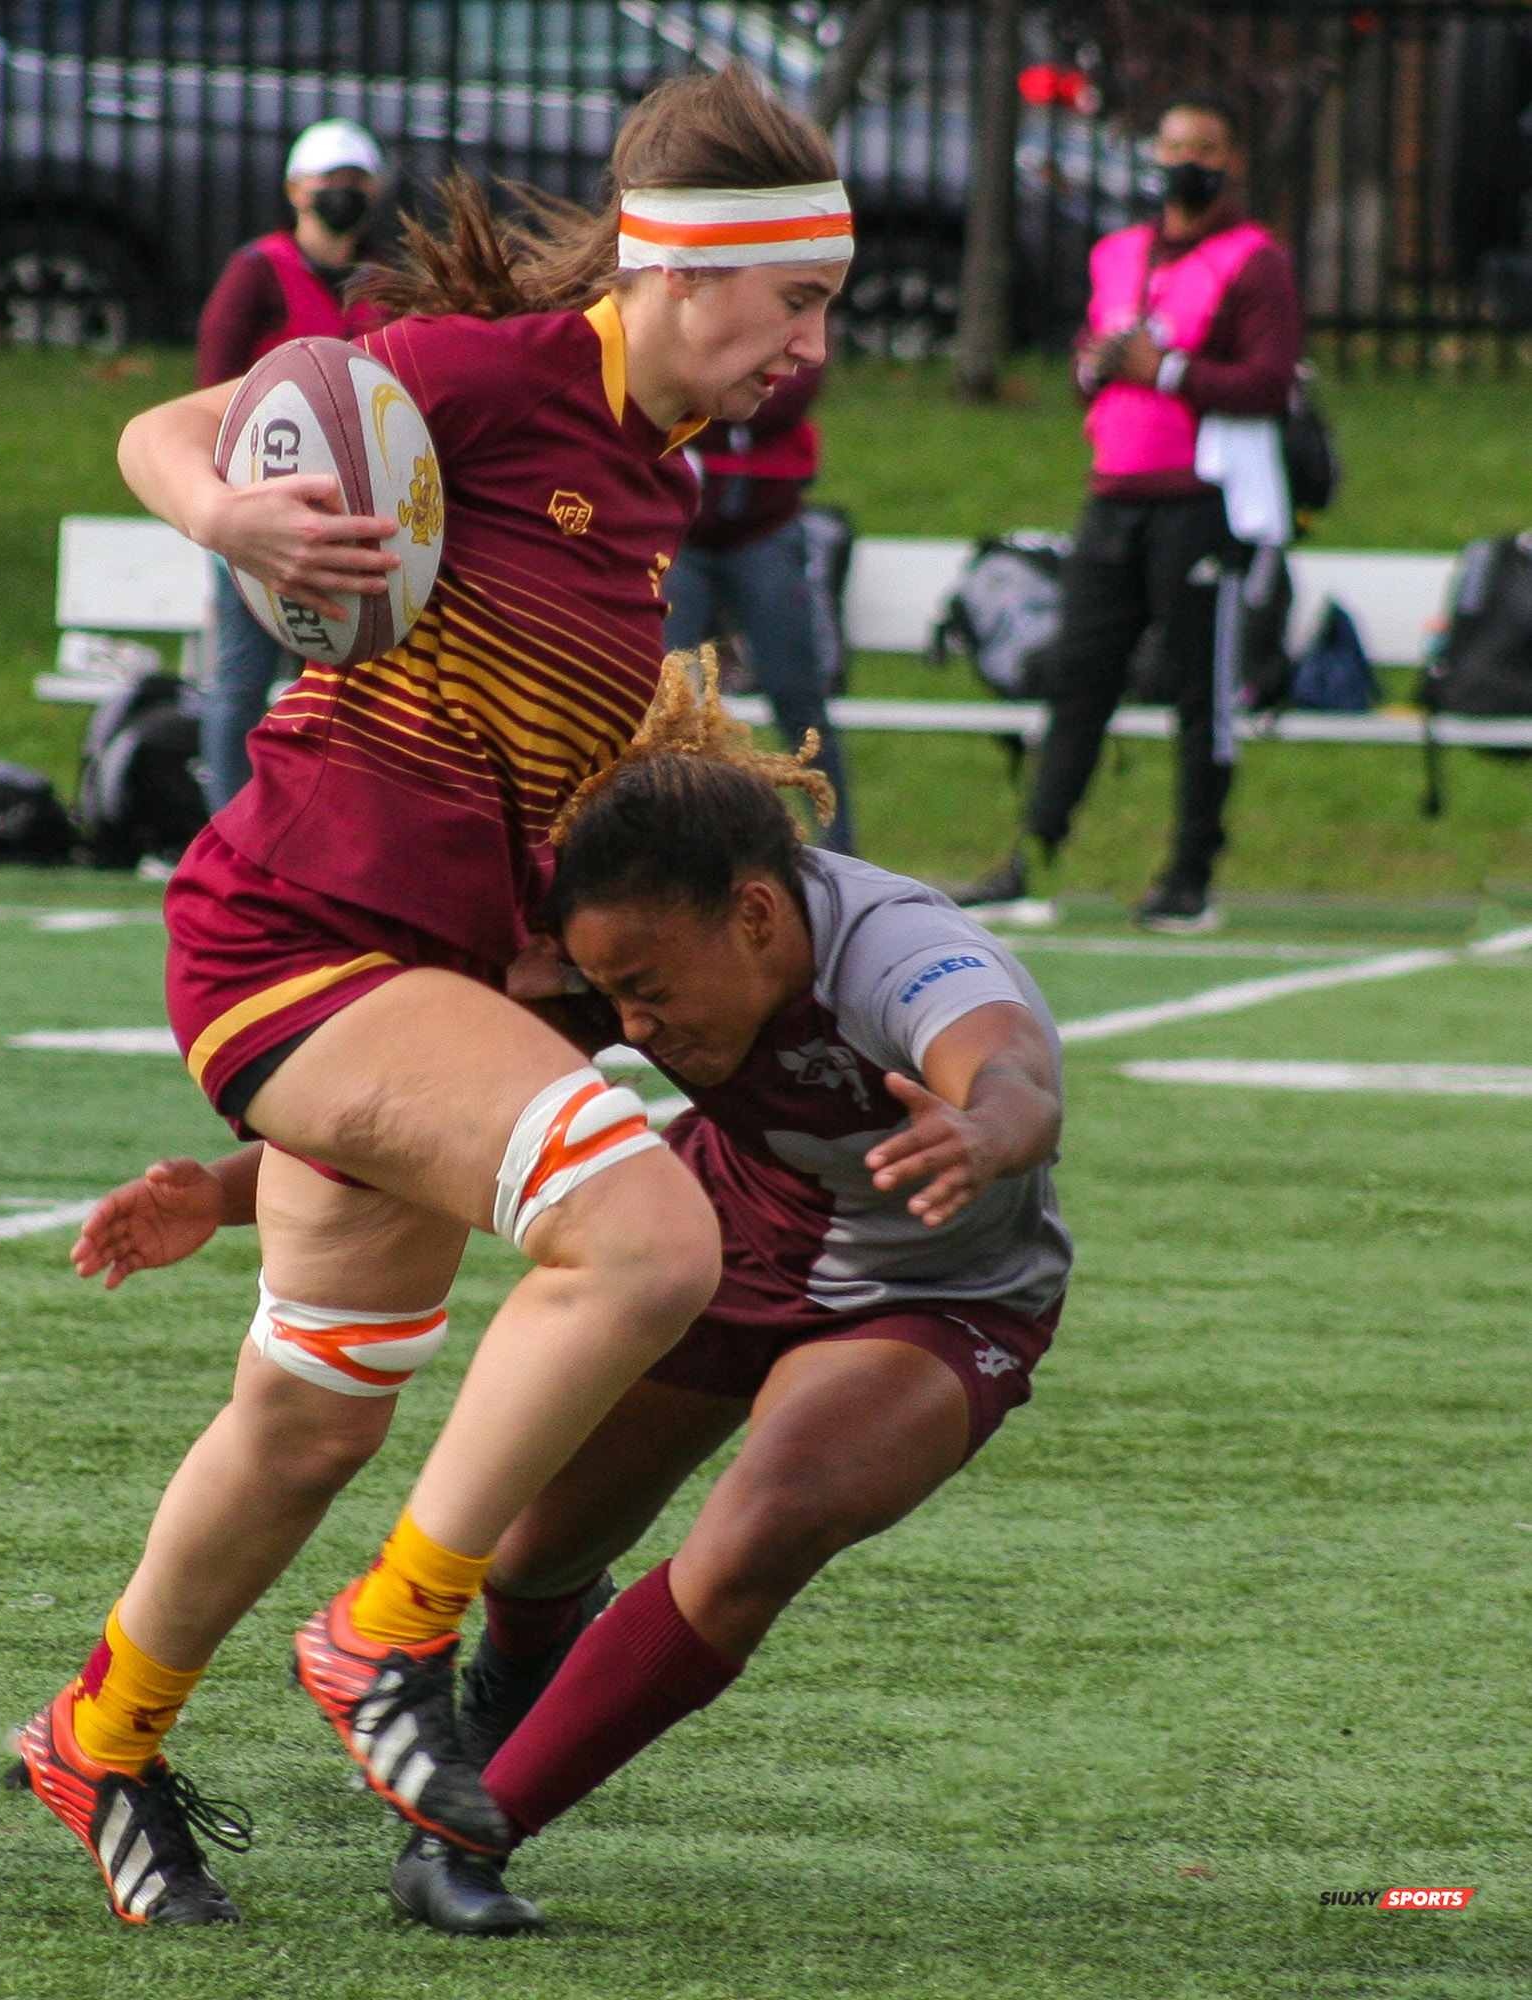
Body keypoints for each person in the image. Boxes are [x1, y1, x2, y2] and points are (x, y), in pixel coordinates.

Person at [3, 67, 855, 1928]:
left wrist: (238, 1176)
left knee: (308, 1416)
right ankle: (388, 1631)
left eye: (823, 307)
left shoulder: (659, 480)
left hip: (422, 978)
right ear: (679, 268)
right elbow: (167, 426)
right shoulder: (484, 372)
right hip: (293, 933)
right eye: (793, 300)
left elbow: (514, 776)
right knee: (646, 1238)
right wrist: (229, 522)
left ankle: (100, 1736)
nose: (810, 345)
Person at [69, 661, 1071, 1935]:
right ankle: (494, 1711)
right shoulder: (631, 941)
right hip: (725, 1231)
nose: (631, 1021)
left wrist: (984, 1131)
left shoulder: (898, 947)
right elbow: (441, 1117)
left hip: (932, 1289)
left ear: (756, 914)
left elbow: (1013, 1066)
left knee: (766, 1522)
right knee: (532, 1556)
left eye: (647, 989)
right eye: (615, 995)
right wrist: (220, 1192)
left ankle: (463, 1837)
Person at [958, 94, 1302, 934]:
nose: (1185, 161)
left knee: (1200, 692)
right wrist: (1096, 367)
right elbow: (1097, 363)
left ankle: (1188, 876)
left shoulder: (1254, 261)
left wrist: (1168, 370)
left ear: (1231, 162)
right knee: (1078, 680)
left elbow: (1268, 384)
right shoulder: (1117, 253)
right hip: (1113, 494)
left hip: (1202, 501)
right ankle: (1032, 860)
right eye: (1172, 145)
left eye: (1204, 147)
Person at [193, 119, 390, 813]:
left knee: (341, 683)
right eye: (329, 180)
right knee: (242, 678)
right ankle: (227, 819)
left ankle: (322, 821)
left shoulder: (383, 279)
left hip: (350, 510)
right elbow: (212, 379)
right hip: (261, 503)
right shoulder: (258, 270)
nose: (342, 193)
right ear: (296, 189)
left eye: (355, 181)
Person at [667, 363, 857, 853]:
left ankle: (841, 851)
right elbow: (661, 385)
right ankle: (663, 843)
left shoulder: (791, 320)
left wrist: (707, 400)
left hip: (766, 526)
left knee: (798, 696)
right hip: (680, 529)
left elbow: (789, 395)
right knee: (666, 697)